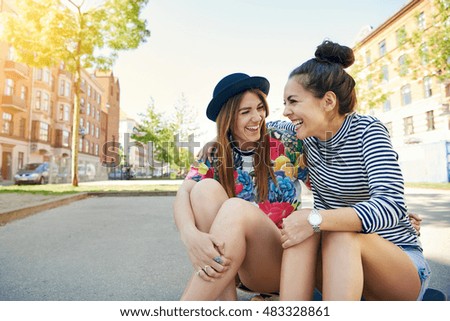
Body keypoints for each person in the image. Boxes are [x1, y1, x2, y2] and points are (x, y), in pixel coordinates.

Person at [278, 40, 431, 300]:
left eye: (293, 101)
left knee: (332, 229)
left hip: (396, 261)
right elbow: (253, 129)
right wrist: (216, 142)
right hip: (338, 265)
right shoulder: (305, 135)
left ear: (327, 101)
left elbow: (392, 205)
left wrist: (316, 219)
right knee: (303, 230)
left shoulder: (368, 131)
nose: (285, 112)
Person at [172, 72, 309, 300]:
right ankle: (228, 305)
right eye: (245, 112)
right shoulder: (214, 152)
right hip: (237, 267)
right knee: (202, 190)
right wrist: (190, 236)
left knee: (235, 208)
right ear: (227, 118)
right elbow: (183, 192)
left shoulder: (287, 143)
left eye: (259, 108)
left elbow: (323, 187)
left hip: (280, 261)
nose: (257, 117)